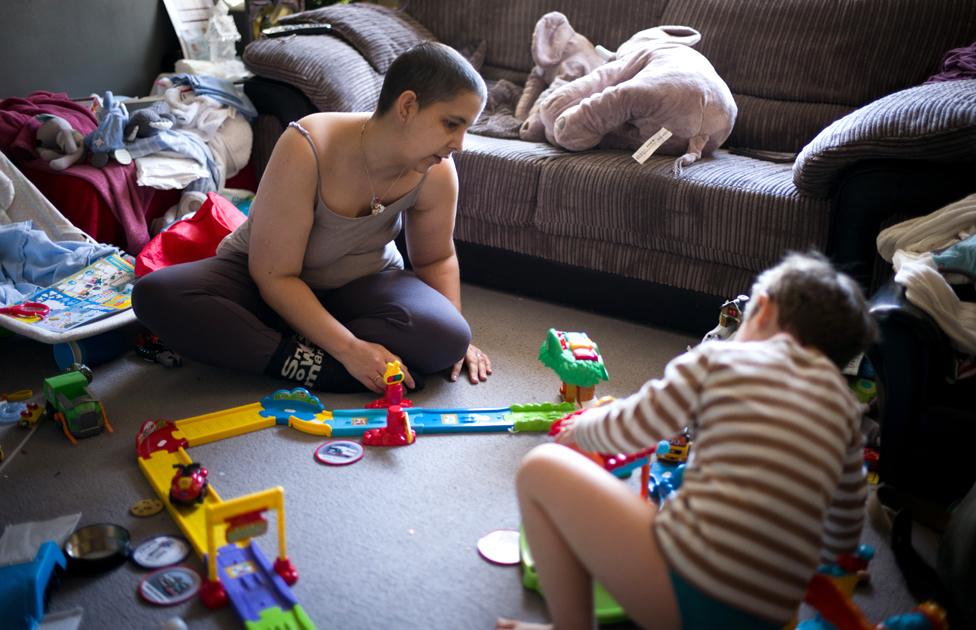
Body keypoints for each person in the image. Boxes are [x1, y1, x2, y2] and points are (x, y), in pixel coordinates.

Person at [497, 252, 878, 630]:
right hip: (770, 614)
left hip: (686, 598)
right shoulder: (844, 410)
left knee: (539, 467)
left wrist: (583, 427)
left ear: (760, 309)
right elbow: (846, 518)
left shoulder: (718, 361)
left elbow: (636, 425)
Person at [133, 42, 493, 394]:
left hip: (362, 283)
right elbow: (275, 276)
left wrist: (458, 340)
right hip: (261, 279)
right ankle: (320, 367)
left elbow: (436, 258)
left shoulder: (438, 170)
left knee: (449, 337)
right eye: (451, 124)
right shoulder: (308, 145)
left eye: (466, 129)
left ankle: (285, 346)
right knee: (157, 295)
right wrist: (350, 349)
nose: (459, 143)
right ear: (408, 106)